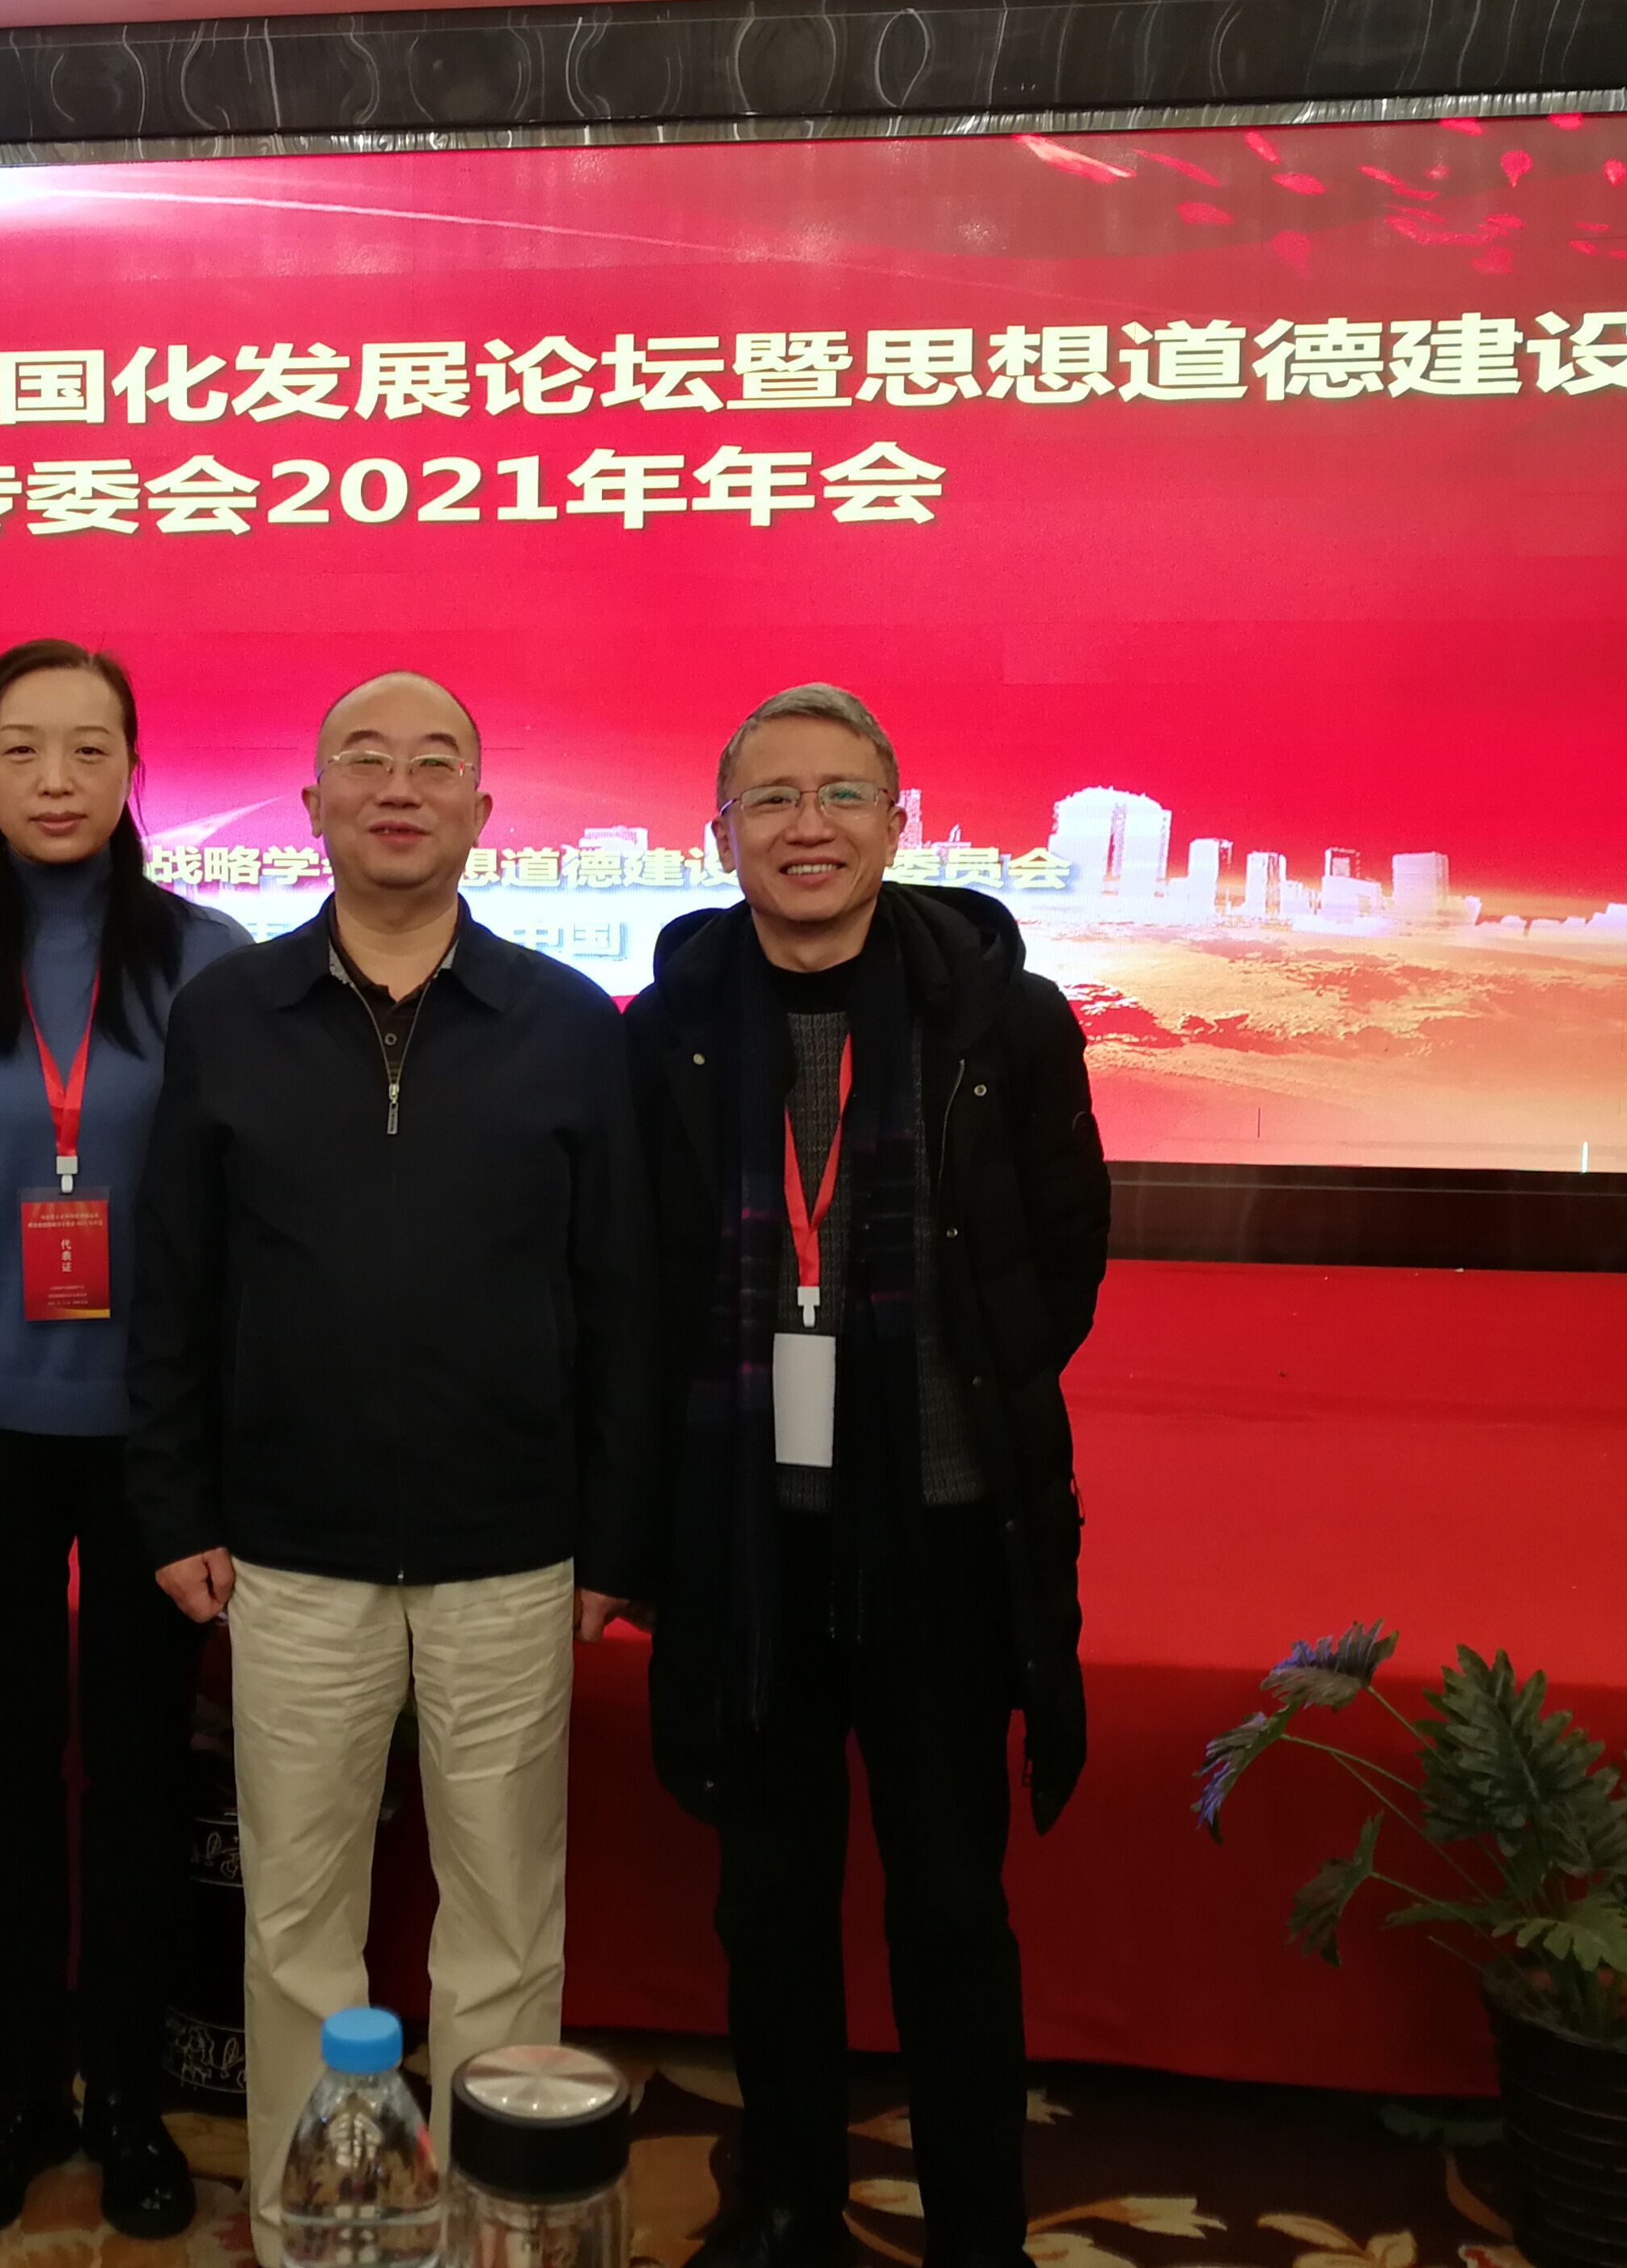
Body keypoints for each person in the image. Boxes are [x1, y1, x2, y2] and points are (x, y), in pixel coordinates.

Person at [125, 670, 658, 2253]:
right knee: (297, 1926)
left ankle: (498, 2219)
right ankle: (321, 2225)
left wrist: (615, 1537)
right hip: (290, 1547)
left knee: (503, 1922)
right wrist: (174, 1503)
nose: (399, 787)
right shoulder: (230, 1016)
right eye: (365, 760)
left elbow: (621, 1300)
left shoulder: (568, 1023)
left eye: (436, 763)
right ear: (313, 807)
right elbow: (175, 1282)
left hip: (512, 1546)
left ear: (484, 811)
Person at [623, 684, 1108, 2268]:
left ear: (898, 825)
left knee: (950, 1901)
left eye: (840, 795)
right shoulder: (670, 1031)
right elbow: (639, 1281)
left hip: (942, 1532)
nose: (807, 826)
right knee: (766, 1900)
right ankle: (787, 2204)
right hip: (748, 1539)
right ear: (723, 837)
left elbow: (1060, 1261)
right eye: (771, 799)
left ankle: (978, 2230)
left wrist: (940, 1410)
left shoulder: (1002, 1023)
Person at [0, 639, 249, 2240]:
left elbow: (239, 1226)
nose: (58, 781)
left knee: (139, 1774)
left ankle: (128, 2096)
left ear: (134, 769)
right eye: (23, 750)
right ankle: (21, 2092)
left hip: (152, 1445)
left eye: (89, 749)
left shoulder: (210, 960)